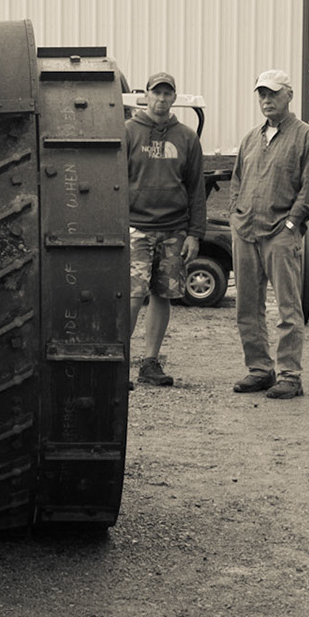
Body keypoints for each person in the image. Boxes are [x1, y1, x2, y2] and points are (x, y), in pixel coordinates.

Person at [229, 70, 309, 399]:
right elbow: (237, 180)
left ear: (289, 96)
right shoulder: (250, 138)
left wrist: (290, 225)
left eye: (273, 94)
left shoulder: (307, 137)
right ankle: (259, 369)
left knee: (288, 308)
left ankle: (290, 376)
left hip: (280, 233)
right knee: (247, 307)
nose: (266, 100)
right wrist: (235, 214)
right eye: (261, 94)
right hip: (245, 231)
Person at [125, 72, 205, 388]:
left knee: (163, 295)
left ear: (174, 98)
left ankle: (150, 363)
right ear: (145, 96)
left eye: (167, 94)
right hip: (135, 230)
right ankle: (119, 362)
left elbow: (196, 188)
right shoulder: (128, 132)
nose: (161, 99)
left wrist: (195, 233)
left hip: (174, 231)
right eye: (156, 93)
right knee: (133, 295)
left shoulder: (186, 137)